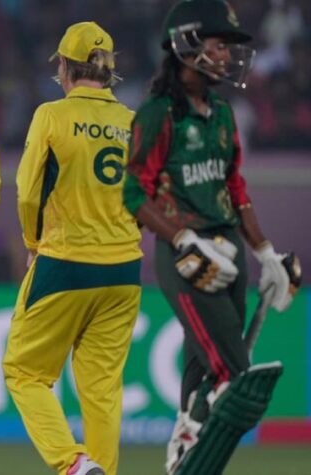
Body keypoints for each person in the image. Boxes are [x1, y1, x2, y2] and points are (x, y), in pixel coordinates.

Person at [122, 1, 302, 474]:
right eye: (219, 45)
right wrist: (182, 238)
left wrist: (265, 253)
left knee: (204, 364)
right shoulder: (158, 114)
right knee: (235, 374)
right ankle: (194, 423)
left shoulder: (222, 112)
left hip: (230, 248)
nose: (227, 56)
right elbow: (134, 193)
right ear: (187, 45)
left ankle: (188, 428)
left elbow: (235, 189)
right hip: (187, 255)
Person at [2, 22, 142, 475]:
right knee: (102, 389)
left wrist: (32, 243)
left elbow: (27, 192)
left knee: (24, 372)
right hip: (124, 270)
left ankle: (72, 463)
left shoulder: (52, 115)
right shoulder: (133, 122)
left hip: (65, 261)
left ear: (64, 66)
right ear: (109, 70)